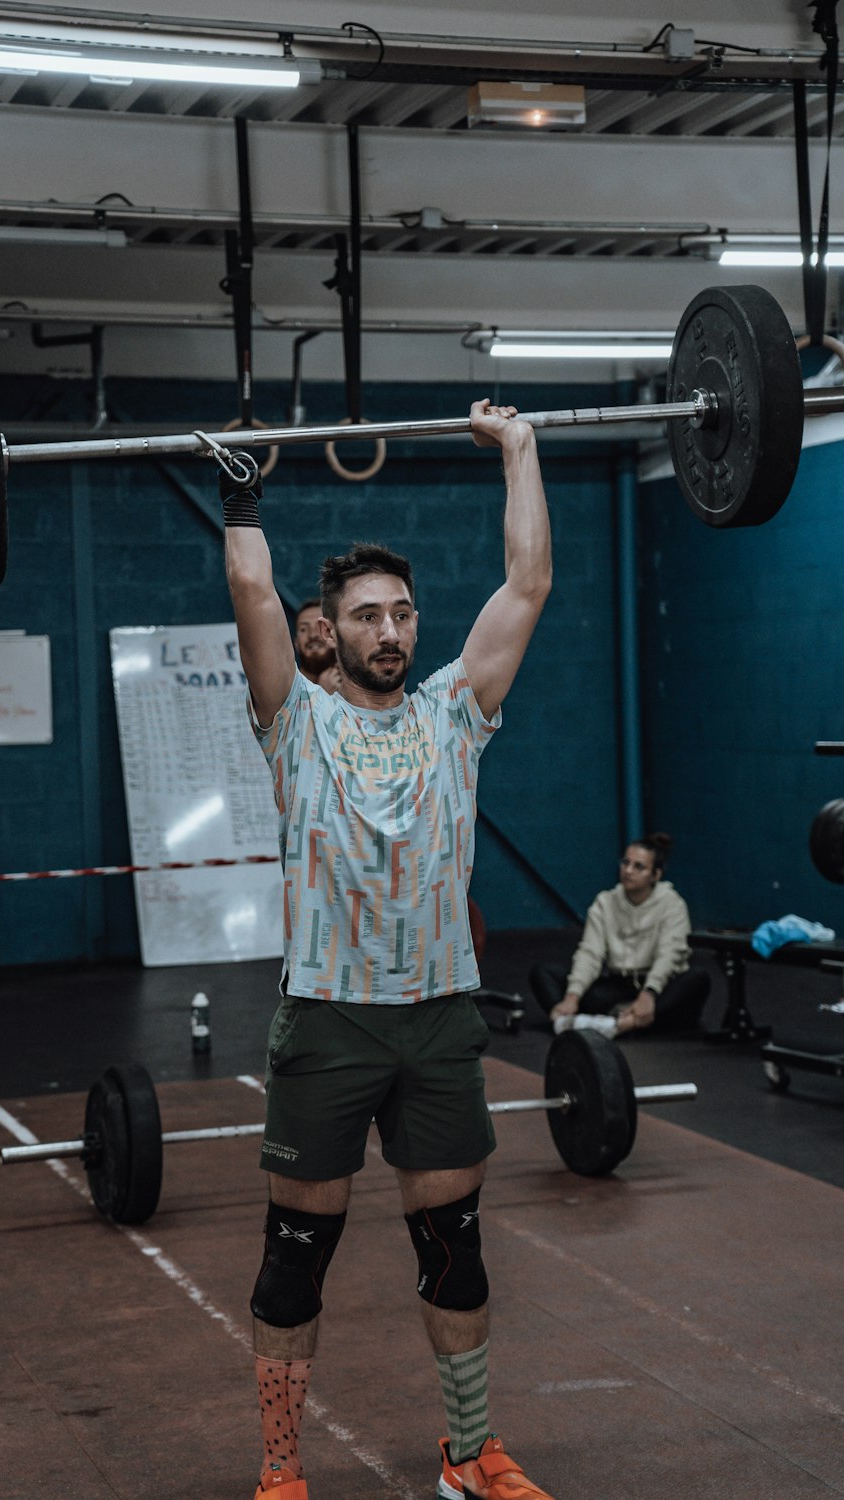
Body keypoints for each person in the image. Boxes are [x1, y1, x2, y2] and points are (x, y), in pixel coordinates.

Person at [222, 400, 554, 1500]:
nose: (390, 632)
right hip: (327, 1016)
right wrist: (240, 498)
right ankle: (281, 1470)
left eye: (403, 614)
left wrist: (520, 448)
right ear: (337, 628)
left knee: (452, 1245)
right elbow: (254, 594)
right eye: (367, 616)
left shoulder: (455, 713)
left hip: (441, 1016)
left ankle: (469, 1456)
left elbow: (526, 586)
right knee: (295, 1256)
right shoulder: (296, 723)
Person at [530, 833, 710, 1038]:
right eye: (625, 862)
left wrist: (649, 994)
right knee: (543, 973)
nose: (628, 871)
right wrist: (573, 996)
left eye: (638, 867)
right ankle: (616, 1022)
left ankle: (620, 1023)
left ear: (656, 875)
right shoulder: (605, 902)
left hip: (658, 988)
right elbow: (590, 953)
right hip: (618, 987)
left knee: (697, 979)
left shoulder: (672, 904)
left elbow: (669, 954)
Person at [292, 597, 342, 694]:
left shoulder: (360, 686)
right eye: (303, 629)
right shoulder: (285, 690)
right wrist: (322, 694)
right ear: (296, 643)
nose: (313, 635)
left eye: (321, 627)